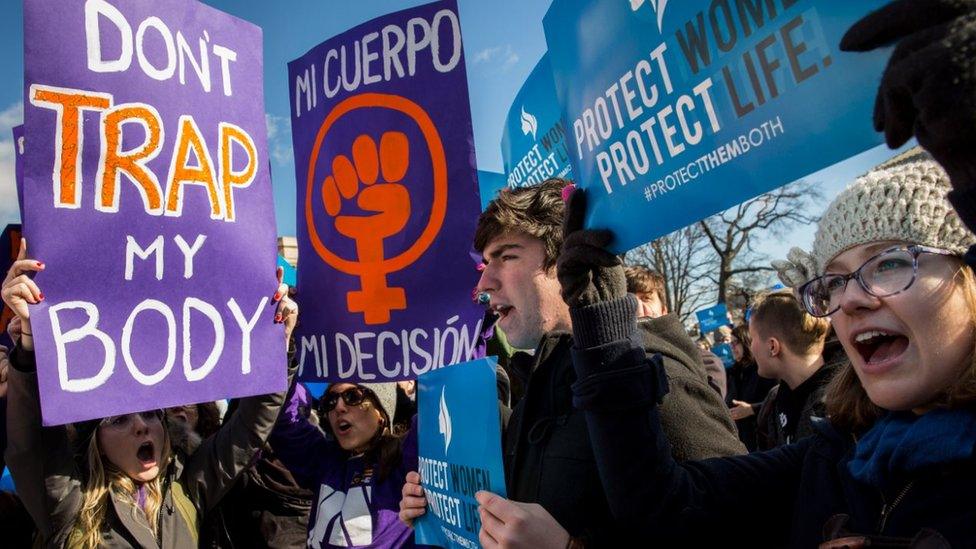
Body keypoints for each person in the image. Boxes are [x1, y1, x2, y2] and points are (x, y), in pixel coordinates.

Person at [567, 151, 976, 545]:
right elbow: (662, 506)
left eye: (889, 263)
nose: (850, 299)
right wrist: (604, 325)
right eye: (834, 281)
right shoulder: (833, 455)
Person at [400, 179, 744, 546]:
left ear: (563, 259)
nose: (484, 282)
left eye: (506, 256)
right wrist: (441, 503)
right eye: (485, 262)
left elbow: (740, 525)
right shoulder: (541, 380)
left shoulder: (645, 366)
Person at [0, 241, 297, 548]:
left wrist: (275, 348)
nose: (141, 425)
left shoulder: (187, 489)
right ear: (96, 444)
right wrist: (32, 340)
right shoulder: (70, 502)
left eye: (152, 414)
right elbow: (31, 444)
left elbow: (248, 431)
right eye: (119, 420)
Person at [270, 378, 416, 548]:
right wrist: (286, 362)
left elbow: (438, 416)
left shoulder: (405, 460)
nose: (338, 407)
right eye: (330, 401)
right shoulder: (323, 459)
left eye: (352, 396)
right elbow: (283, 416)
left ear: (381, 412)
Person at [748, 290, 837, 450]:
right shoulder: (773, 401)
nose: (750, 348)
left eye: (752, 338)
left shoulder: (844, 403)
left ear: (772, 346)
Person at [725, 323, 776, 451]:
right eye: (730, 344)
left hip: (765, 444)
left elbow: (777, 401)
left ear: (746, 341)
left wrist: (752, 409)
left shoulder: (764, 370)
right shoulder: (733, 373)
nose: (732, 347)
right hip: (742, 444)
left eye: (735, 343)